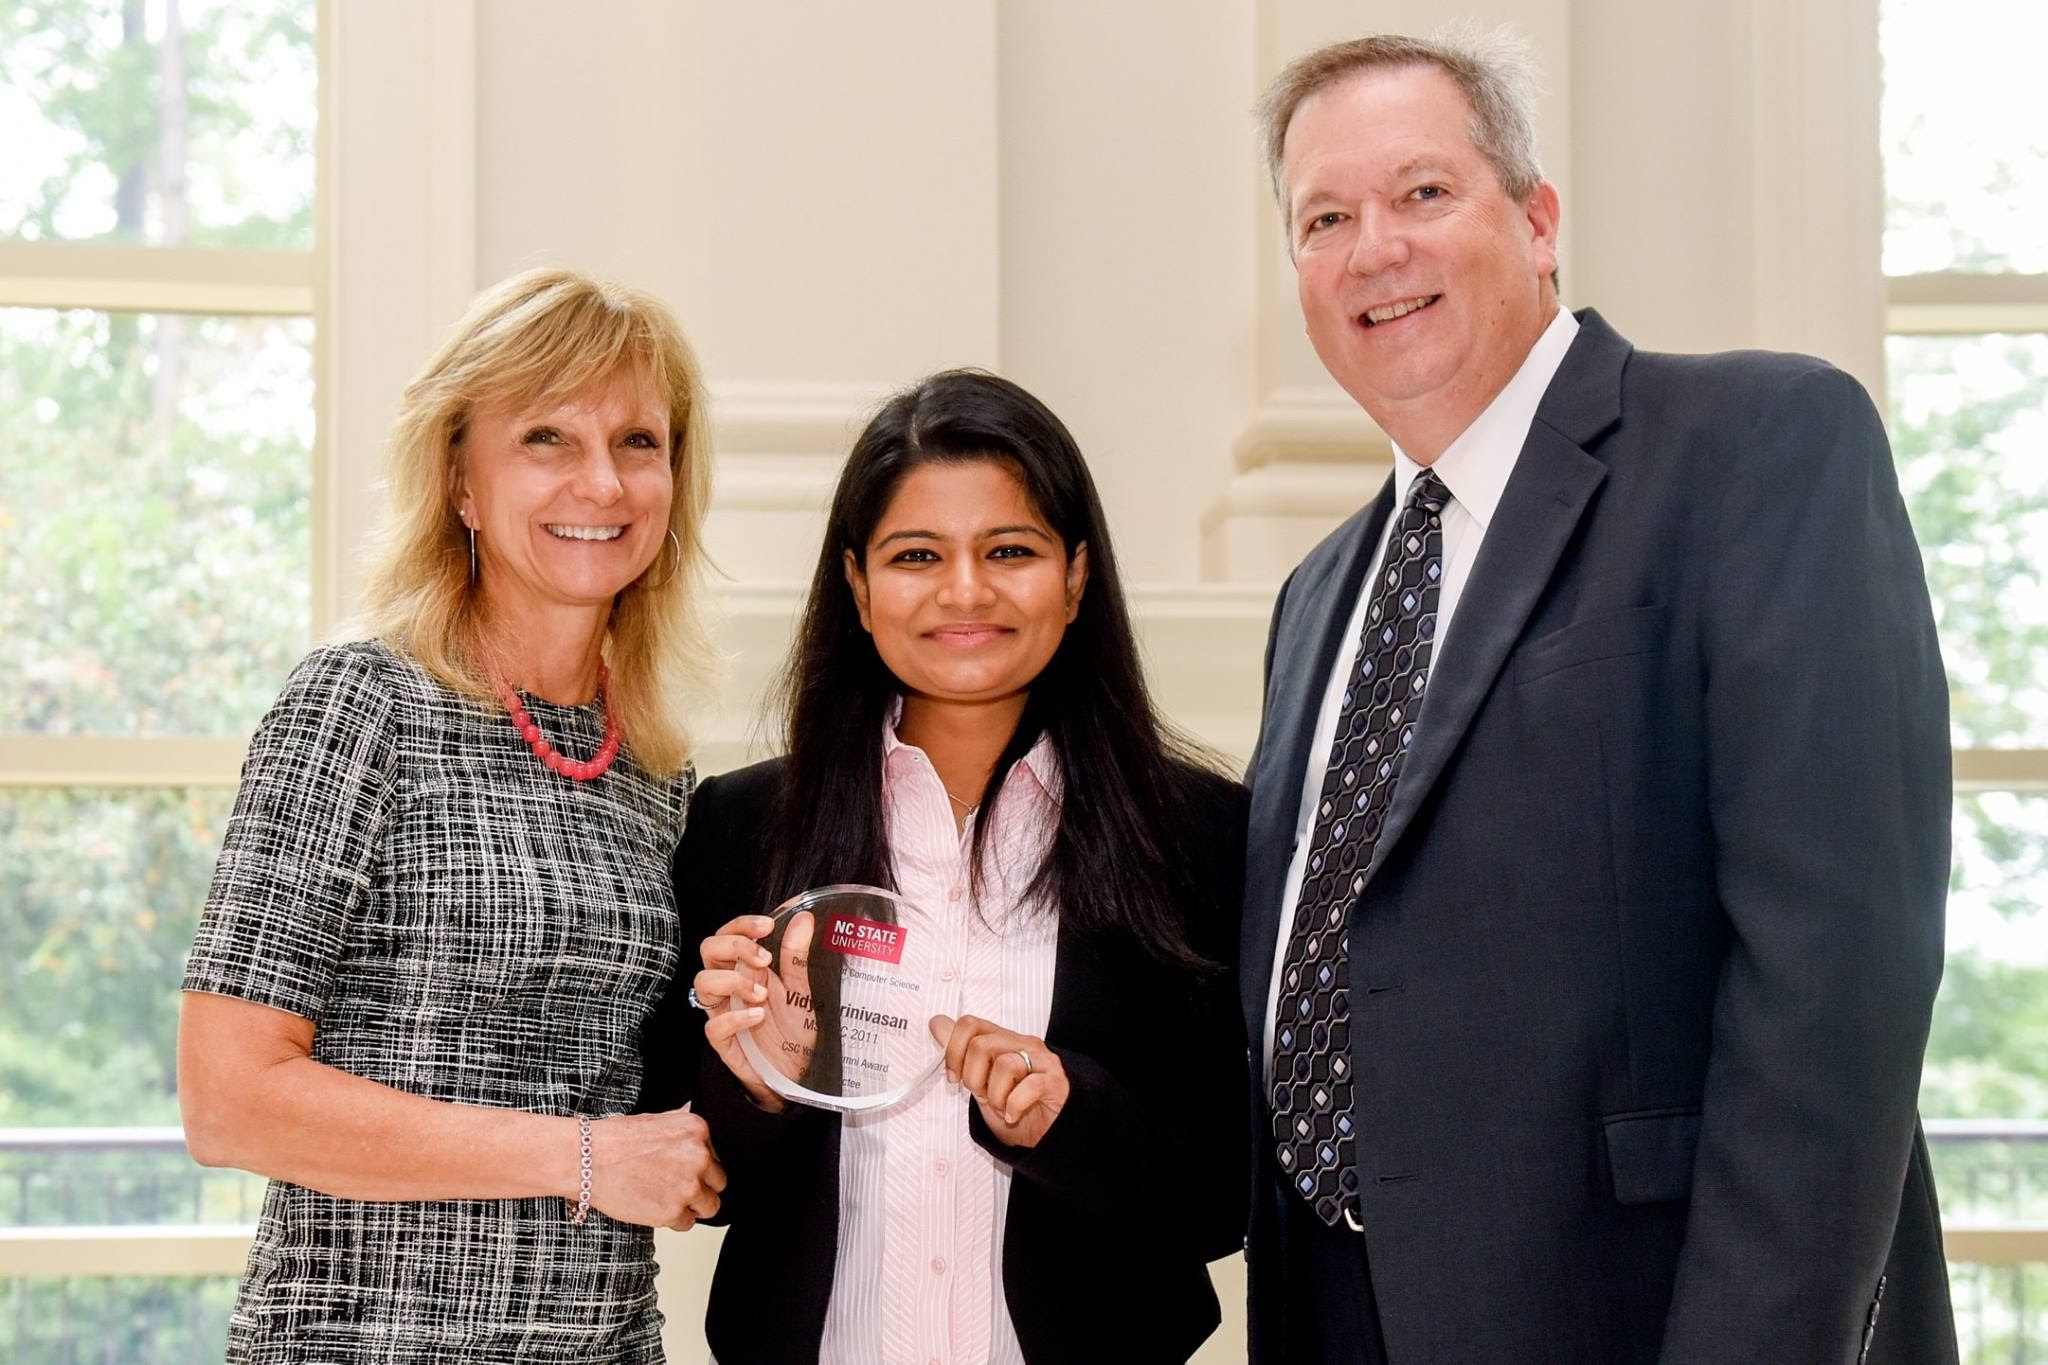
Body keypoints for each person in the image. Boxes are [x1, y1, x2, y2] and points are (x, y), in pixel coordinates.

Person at [1239, 27, 1956, 1365]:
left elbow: (1835, 982)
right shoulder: (1315, 599)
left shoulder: (1757, 450)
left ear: (1539, 217)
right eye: (1323, 218)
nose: (1372, 248)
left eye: (1422, 193)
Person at [639, 369, 1249, 1365]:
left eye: (1009, 550)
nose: (964, 591)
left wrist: (1069, 1117)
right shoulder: (739, 826)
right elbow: (700, 1182)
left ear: (1076, 576)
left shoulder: (1198, 836)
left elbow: (1230, 1194)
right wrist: (758, 1077)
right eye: (915, 555)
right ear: (857, 584)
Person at [178, 267, 726, 1362]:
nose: (602, 483)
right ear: (461, 482)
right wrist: (579, 1158)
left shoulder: (654, 772)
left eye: (637, 442)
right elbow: (228, 1099)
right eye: (545, 440)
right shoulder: (358, 705)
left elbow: (652, 1115)